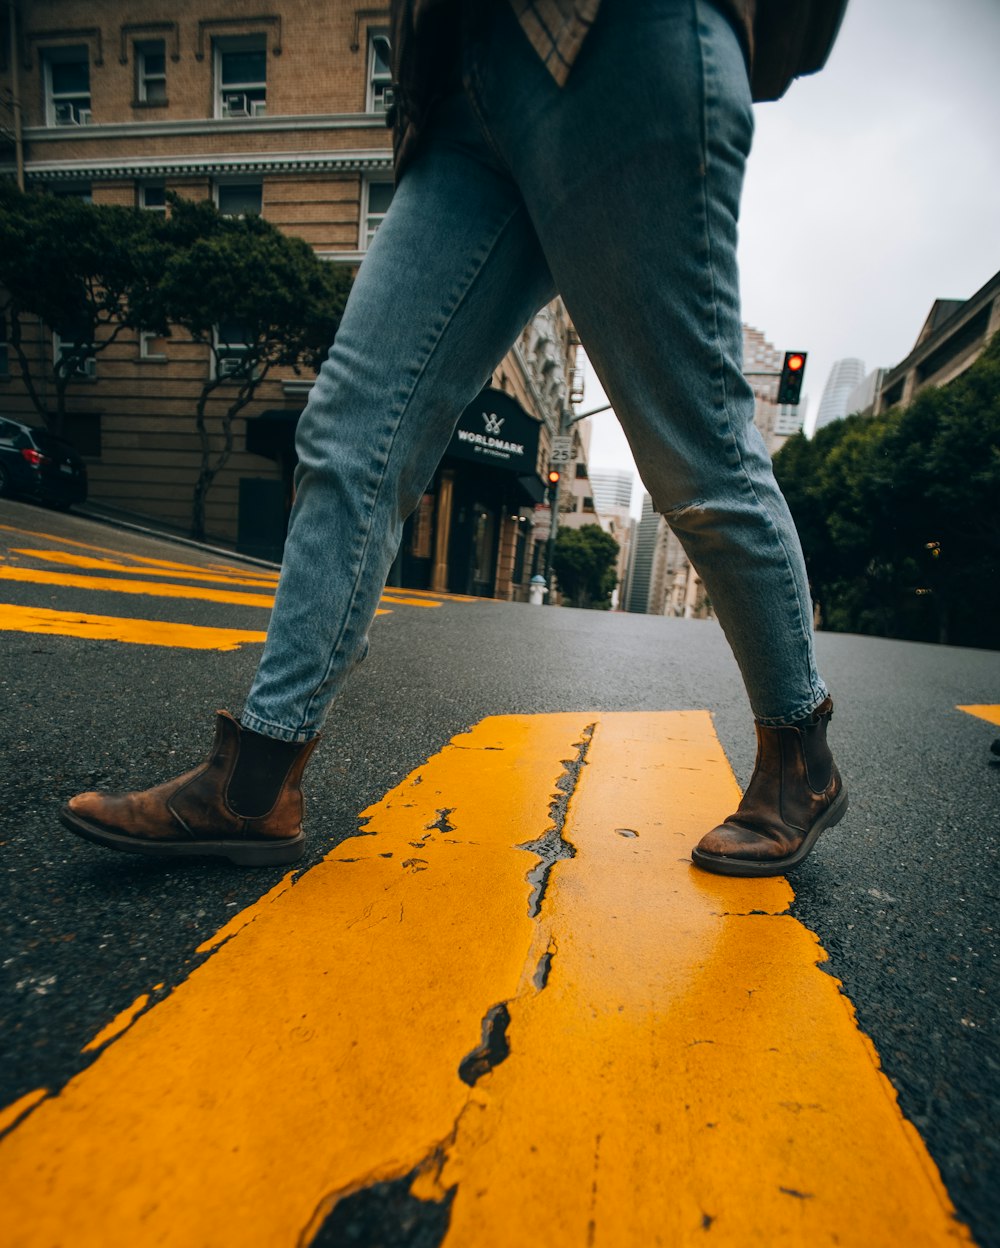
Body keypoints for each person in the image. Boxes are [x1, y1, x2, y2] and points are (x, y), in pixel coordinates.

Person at [59, 0, 850, 877]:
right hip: (461, 91)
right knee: (350, 428)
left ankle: (799, 759)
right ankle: (256, 783)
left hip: (616, 42)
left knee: (693, 448)